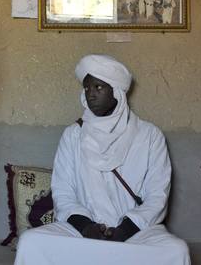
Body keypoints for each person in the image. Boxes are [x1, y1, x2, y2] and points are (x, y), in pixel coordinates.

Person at [15, 54, 191, 265]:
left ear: (117, 92)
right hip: (81, 229)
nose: (91, 94)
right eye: (87, 88)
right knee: (30, 242)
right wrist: (86, 227)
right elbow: (63, 191)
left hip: (136, 230)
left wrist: (124, 231)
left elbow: (157, 195)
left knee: (175, 250)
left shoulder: (149, 135)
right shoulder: (73, 135)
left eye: (99, 87)